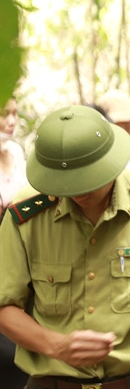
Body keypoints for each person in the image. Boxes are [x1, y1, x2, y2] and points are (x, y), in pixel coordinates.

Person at [0, 105, 130, 388]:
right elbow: (4, 304)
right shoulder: (27, 213)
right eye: (65, 183)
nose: (77, 192)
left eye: (87, 179)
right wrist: (56, 345)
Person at [0, 97, 29, 388]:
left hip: (18, 249)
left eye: (14, 114)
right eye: (3, 114)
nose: (10, 121)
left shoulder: (16, 152)